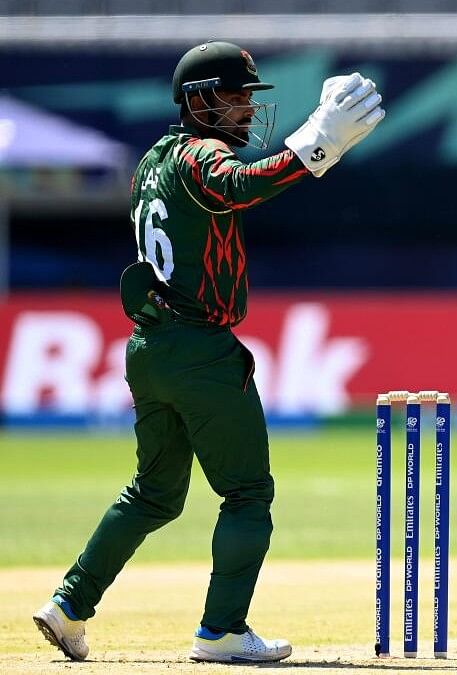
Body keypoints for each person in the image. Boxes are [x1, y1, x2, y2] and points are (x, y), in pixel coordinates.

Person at [31, 40, 385, 663]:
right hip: (199, 348)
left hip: (150, 346)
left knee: (153, 494)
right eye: (234, 94)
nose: (247, 107)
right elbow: (239, 186)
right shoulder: (200, 156)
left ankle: (67, 607)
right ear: (198, 101)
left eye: (249, 95)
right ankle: (221, 632)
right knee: (248, 494)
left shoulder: (152, 162)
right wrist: (316, 144)